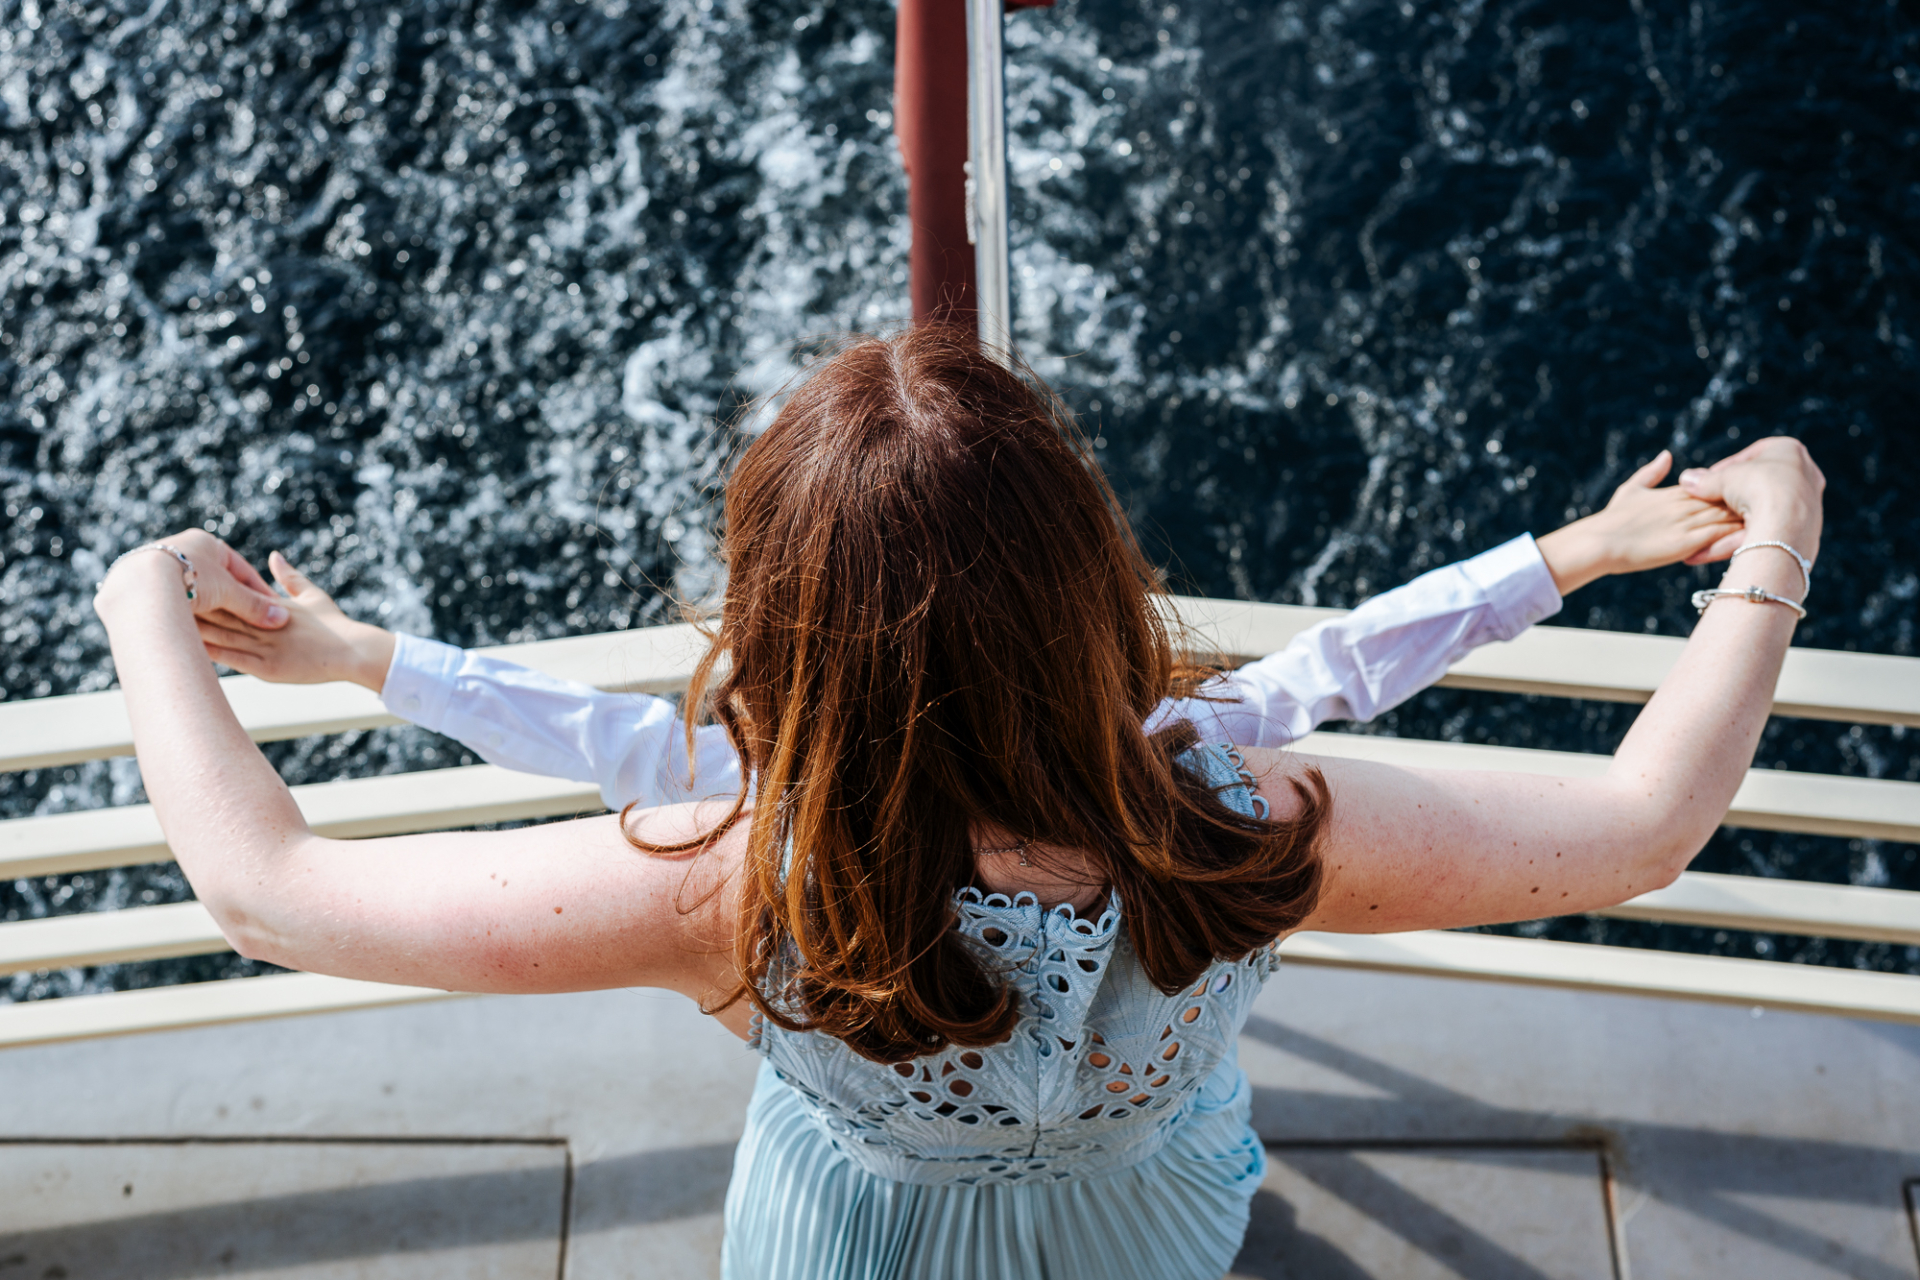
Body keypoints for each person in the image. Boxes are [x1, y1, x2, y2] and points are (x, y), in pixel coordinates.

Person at [93, 328, 1822, 1279]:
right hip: (1144, 1216)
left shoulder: (750, 873)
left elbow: (277, 891)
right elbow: (1629, 817)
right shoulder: (1233, 802)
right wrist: (1728, 547)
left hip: (855, 1246)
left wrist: (168, 609)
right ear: (1088, 583)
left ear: (782, 630)